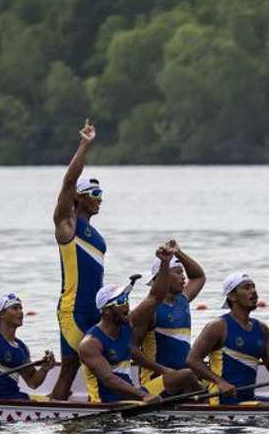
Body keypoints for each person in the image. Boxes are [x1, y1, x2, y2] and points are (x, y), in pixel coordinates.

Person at [78, 254, 202, 404]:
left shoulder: (127, 325)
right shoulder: (90, 344)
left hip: (133, 398)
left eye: (126, 298)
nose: (127, 305)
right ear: (106, 311)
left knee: (186, 375)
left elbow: (155, 297)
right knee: (187, 376)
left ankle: (202, 404)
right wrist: (143, 396)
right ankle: (206, 406)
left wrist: (164, 262)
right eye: (121, 301)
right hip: (107, 403)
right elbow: (109, 379)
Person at [49, 119, 103, 400]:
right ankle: (54, 412)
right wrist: (85, 144)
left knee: (103, 359)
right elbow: (68, 182)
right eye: (94, 194)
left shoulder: (94, 233)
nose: (100, 199)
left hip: (95, 307)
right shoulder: (67, 225)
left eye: (101, 194)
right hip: (73, 309)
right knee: (70, 367)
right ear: (78, 198)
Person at [187, 272, 269, 405]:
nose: (253, 291)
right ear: (232, 296)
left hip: (250, 399)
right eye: (246, 287)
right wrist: (220, 382)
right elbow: (192, 360)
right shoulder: (218, 327)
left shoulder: (262, 329)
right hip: (222, 400)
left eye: (253, 287)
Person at [132, 240, 206, 387]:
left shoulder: (184, 298)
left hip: (185, 379)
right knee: (190, 377)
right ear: (162, 276)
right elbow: (131, 348)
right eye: (178, 272)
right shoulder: (149, 310)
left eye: (183, 273)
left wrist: (178, 253)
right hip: (155, 382)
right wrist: (164, 371)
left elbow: (199, 276)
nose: (183, 277)